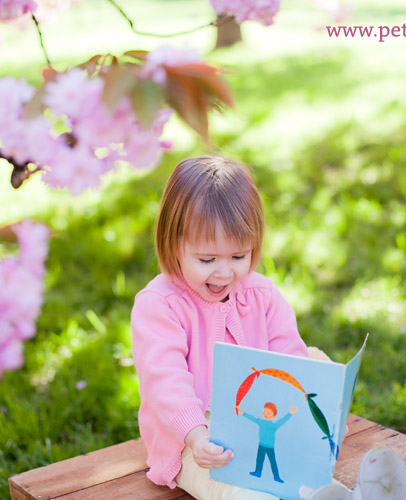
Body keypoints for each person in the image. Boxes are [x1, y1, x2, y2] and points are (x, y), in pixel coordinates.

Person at [131, 156, 310, 500]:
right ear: (173, 245)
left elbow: (290, 356)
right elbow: (164, 381)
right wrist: (197, 436)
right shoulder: (160, 305)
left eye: (239, 256)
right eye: (207, 260)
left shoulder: (262, 294)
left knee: (315, 360)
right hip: (195, 442)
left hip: (259, 422)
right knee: (237, 489)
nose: (224, 273)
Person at [236, 403, 298, 484]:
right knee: (259, 460)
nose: (265, 414)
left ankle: (276, 476)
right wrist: (240, 411)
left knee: (273, 462)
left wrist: (290, 413)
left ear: (274, 416)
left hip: (270, 447)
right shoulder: (260, 422)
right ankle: (257, 472)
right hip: (261, 445)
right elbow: (251, 418)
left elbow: (282, 420)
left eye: (269, 413)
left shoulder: (274, 425)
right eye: (265, 411)